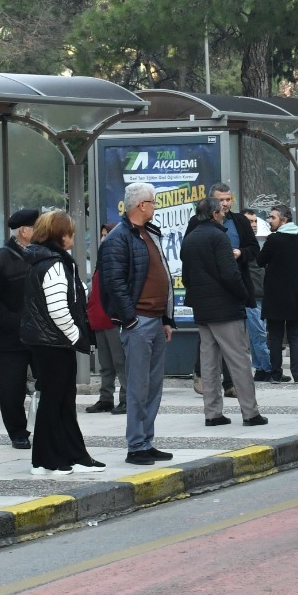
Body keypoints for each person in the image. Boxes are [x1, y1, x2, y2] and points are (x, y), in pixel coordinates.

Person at [98, 182, 175, 466]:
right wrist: (129, 319)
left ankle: (146, 440)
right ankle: (136, 445)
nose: (155, 207)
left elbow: (162, 274)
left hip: (155, 320)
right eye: (153, 202)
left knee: (153, 385)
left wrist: (166, 318)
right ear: (142, 205)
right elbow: (114, 282)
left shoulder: (149, 233)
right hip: (138, 321)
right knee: (138, 386)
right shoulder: (119, 238)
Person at [21, 209, 103, 475]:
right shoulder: (55, 263)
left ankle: (72, 454)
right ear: (61, 234)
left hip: (47, 341)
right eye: (70, 233)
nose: (72, 238)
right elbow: (58, 308)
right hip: (54, 342)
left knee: (61, 401)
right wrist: (76, 336)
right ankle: (45, 460)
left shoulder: (44, 259)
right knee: (55, 401)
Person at [181, 198, 268, 427]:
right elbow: (230, 274)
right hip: (226, 308)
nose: (224, 213)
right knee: (239, 360)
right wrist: (242, 294)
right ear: (213, 214)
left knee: (209, 363)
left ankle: (213, 413)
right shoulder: (219, 237)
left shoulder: (189, 238)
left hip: (202, 309)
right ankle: (250, 413)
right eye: (220, 210)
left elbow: (187, 275)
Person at [0, 208, 39, 449]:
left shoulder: (39, 255)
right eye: (37, 227)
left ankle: (46, 426)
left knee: (47, 381)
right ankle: (17, 431)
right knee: (12, 388)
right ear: (24, 231)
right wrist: (16, 321)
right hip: (10, 338)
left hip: (38, 335)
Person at [259, 202, 298, 383]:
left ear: (284, 219)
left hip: (276, 295)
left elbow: (260, 260)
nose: (269, 220)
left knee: (275, 336)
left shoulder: (273, 240)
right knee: (295, 335)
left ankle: (276, 373)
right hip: (295, 293)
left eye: (273, 217)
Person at [85, 221, 127, 414]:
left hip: (113, 319)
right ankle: (106, 398)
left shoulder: (117, 259)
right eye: (102, 234)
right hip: (99, 319)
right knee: (105, 364)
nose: (103, 238)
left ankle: (126, 399)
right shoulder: (102, 260)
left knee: (121, 363)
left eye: (106, 234)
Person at [243, 208, 273, 381]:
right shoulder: (243, 245)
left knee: (257, 334)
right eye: (250, 222)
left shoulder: (256, 242)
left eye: (255, 221)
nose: (253, 225)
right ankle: (268, 368)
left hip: (261, 294)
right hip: (251, 296)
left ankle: (260, 368)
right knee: (259, 334)